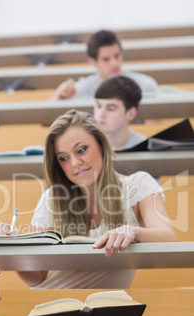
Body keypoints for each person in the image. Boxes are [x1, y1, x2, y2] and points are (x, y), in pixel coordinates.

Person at [13, 110, 176, 289]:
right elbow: (37, 278)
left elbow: (168, 238)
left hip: (105, 306)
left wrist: (133, 231)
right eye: (64, 158)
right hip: (54, 300)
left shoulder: (137, 185)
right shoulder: (52, 199)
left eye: (81, 150)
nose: (75, 162)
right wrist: (14, 250)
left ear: (101, 144)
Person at [52, 30, 157, 100]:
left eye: (117, 56)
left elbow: (153, 128)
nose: (114, 63)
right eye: (106, 59)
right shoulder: (84, 88)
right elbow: (47, 120)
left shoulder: (145, 85)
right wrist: (58, 97)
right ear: (92, 61)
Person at [94, 75, 147, 150]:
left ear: (131, 114)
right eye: (99, 106)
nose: (101, 115)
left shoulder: (143, 147)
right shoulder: (85, 145)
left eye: (110, 109)